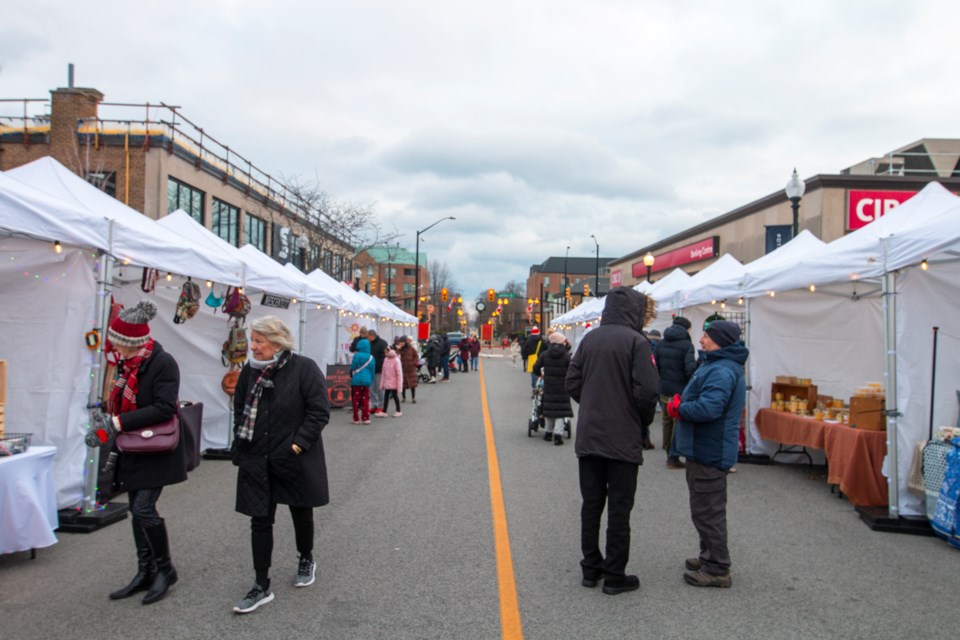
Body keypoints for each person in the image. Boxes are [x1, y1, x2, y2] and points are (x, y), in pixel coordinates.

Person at [85, 300, 187, 605]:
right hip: (132, 447)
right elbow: (118, 405)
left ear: (135, 342)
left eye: (121, 346)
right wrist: (104, 427)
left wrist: (117, 422)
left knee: (144, 508)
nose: (118, 351)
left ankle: (166, 571)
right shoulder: (128, 364)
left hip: (156, 447)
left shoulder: (163, 362)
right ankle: (146, 570)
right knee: (135, 509)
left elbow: (165, 407)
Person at [231, 315, 331, 613]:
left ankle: (306, 557)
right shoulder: (249, 372)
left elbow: (318, 411)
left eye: (259, 341)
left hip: (294, 455)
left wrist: (296, 445)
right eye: (253, 339)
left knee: (301, 510)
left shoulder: (304, 368)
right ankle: (261, 585)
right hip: (257, 457)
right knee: (260, 520)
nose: (253, 346)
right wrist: (243, 438)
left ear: (277, 343)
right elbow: (239, 408)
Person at [566, 287, 659, 596]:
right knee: (620, 508)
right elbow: (647, 393)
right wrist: (640, 421)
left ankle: (590, 569)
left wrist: (592, 403)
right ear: (635, 312)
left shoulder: (590, 339)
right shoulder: (637, 342)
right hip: (622, 438)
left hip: (590, 434)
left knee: (591, 504)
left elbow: (572, 382)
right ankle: (615, 574)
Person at [666, 320, 747, 589]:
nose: (701, 340)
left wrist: (680, 408)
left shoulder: (722, 369)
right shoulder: (717, 365)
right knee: (704, 509)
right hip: (705, 447)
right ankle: (709, 557)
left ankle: (717, 568)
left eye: (707, 336)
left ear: (720, 340)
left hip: (709, 449)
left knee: (708, 511)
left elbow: (710, 409)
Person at [655, 316, 698, 469]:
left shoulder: (660, 344)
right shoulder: (687, 345)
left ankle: (668, 452)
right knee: (677, 422)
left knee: (666, 421)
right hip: (679, 391)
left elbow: (656, 367)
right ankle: (674, 456)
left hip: (664, 388)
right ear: (686, 329)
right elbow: (690, 370)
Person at [532, 331, 574, 445]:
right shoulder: (566, 356)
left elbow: (535, 367)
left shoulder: (545, 354)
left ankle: (548, 433)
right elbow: (572, 370)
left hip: (549, 386)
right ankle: (558, 436)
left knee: (549, 410)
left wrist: (540, 375)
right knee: (561, 412)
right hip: (562, 387)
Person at [350, 338, 375, 424]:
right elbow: (372, 370)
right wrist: (370, 380)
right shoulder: (371, 357)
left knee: (356, 399)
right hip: (366, 381)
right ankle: (366, 418)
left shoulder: (356, 356)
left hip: (356, 380)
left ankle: (356, 418)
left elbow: (353, 367)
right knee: (365, 399)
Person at [378, 345, 404, 417]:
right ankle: (384, 411)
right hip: (387, 382)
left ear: (390, 351)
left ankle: (398, 410)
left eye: (386, 352)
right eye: (385, 352)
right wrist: (382, 384)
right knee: (386, 396)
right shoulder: (386, 360)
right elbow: (383, 372)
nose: (385, 354)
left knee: (395, 396)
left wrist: (399, 387)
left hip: (394, 383)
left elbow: (399, 374)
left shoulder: (396, 360)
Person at [366, 329, 388, 413]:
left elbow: (385, 355)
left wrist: (380, 365)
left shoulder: (383, 343)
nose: (367, 338)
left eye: (368, 336)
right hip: (371, 369)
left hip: (379, 369)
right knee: (371, 388)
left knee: (380, 388)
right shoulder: (369, 344)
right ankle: (374, 404)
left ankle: (381, 405)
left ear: (372, 335)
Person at [522, 327, 547, 394]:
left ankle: (534, 387)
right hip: (541, 359)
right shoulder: (542, 340)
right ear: (538, 333)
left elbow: (524, 350)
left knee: (533, 373)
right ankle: (541, 386)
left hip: (532, 359)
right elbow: (547, 349)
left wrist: (525, 357)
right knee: (541, 373)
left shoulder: (528, 340)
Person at [399, 336, 419, 403]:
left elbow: (416, 356)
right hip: (402, 369)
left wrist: (413, 363)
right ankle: (404, 397)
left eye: (402, 342)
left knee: (412, 384)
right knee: (403, 384)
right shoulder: (400, 349)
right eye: (400, 342)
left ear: (405, 342)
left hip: (411, 369)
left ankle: (413, 398)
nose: (401, 343)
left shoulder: (411, 348)